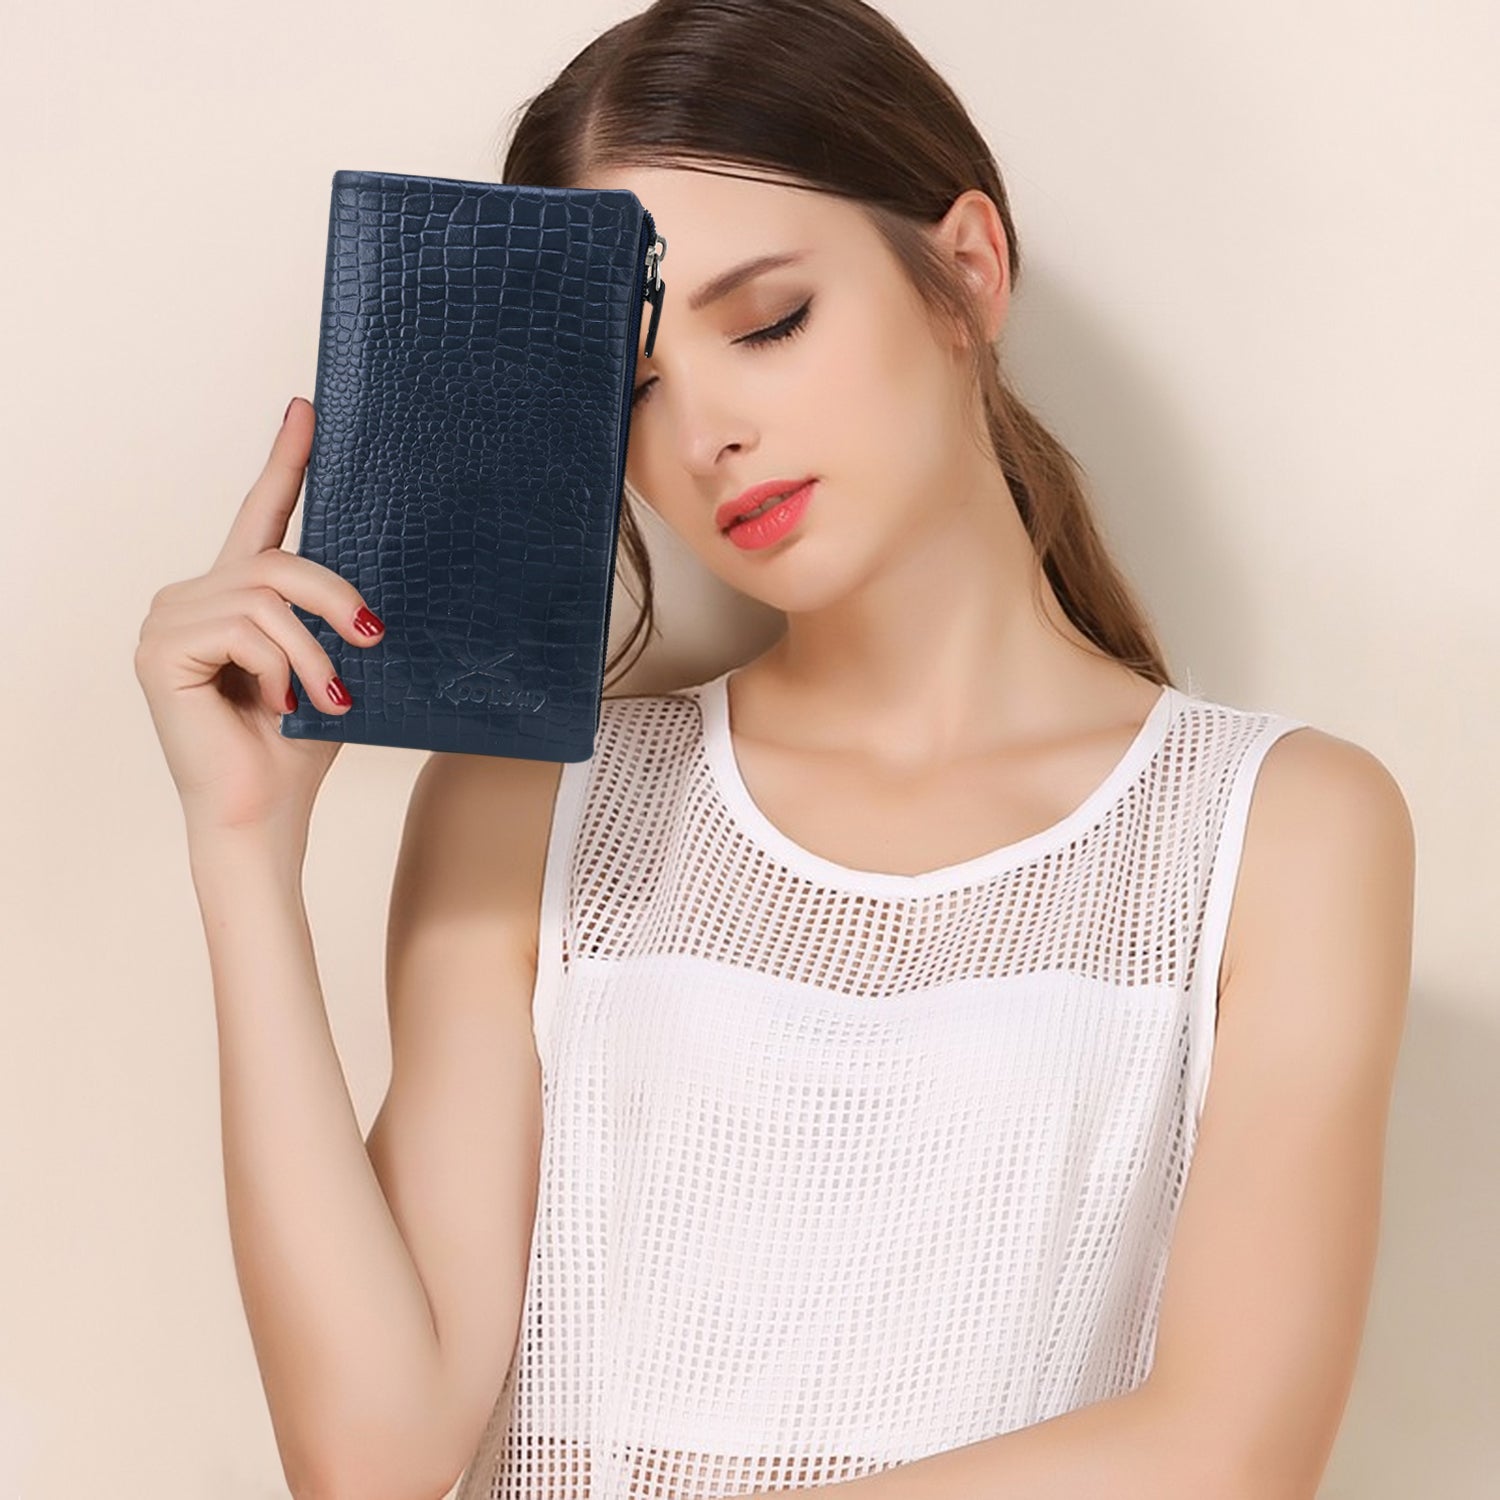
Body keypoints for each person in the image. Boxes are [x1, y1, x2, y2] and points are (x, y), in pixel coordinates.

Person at [133, 2, 1416, 1498]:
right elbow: (375, 1462)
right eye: (632, 388)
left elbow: (1226, 1456)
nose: (707, 437)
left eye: (768, 323)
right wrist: (242, 850)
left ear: (967, 272)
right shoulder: (528, 802)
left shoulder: (1278, 827)